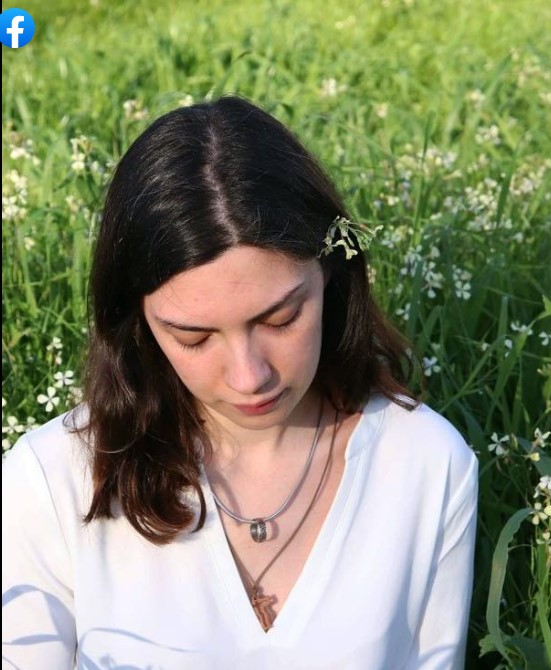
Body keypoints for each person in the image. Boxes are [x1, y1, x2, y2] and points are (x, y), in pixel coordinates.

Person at [2, 95, 478, 669]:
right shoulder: (52, 483)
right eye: (194, 337)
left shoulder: (427, 464)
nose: (250, 376)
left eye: (281, 319)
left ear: (332, 274)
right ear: (136, 324)